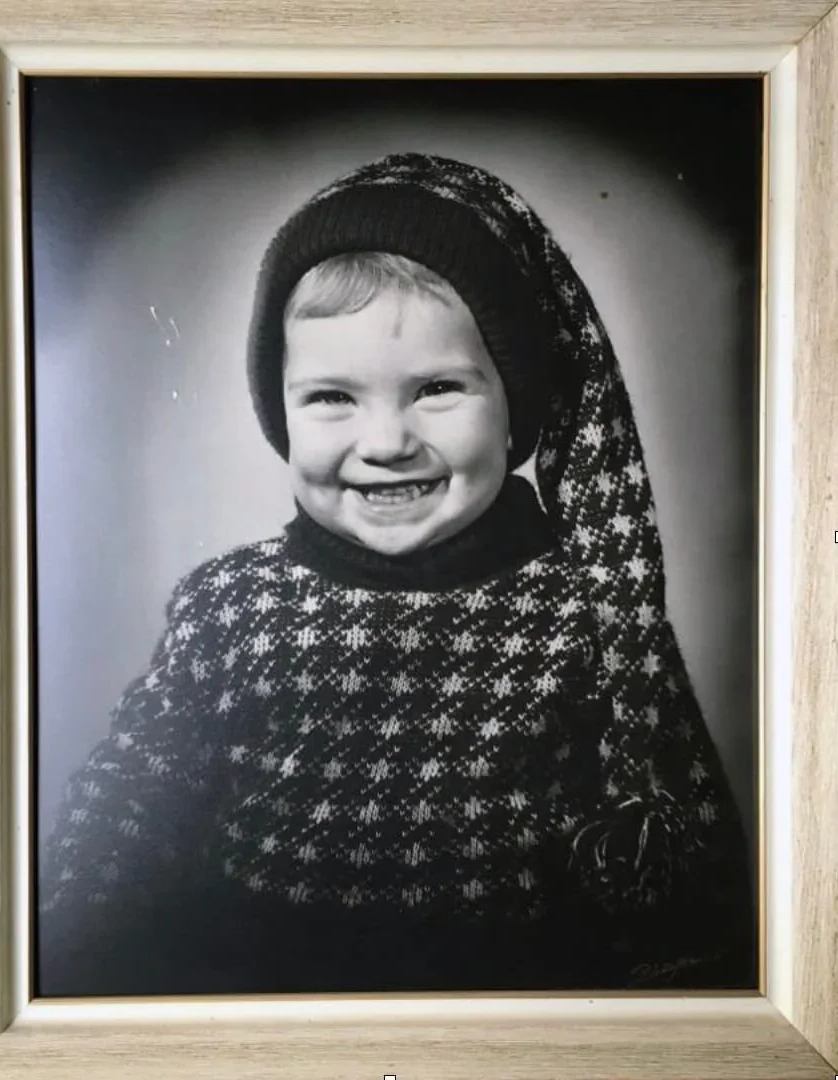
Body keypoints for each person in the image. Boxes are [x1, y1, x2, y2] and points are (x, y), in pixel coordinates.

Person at [38, 151, 756, 997]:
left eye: (438, 388)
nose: (385, 442)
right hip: (254, 1004)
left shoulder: (585, 614)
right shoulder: (232, 606)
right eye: (332, 398)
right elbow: (131, 800)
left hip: (504, 1008)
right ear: (281, 411)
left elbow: (666, 879)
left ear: (515, 403)